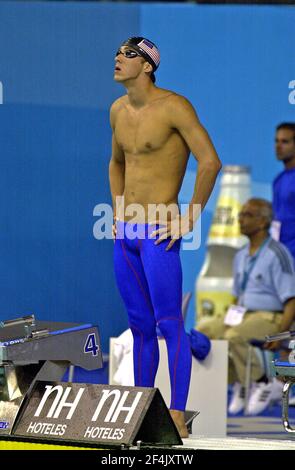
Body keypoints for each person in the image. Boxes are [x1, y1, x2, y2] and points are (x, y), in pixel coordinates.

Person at [109, 36, 221, 437]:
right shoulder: (118, 110)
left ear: (148, 66)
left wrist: (189, 217)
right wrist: (119, 209)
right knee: (139, 325)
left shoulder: (174, 106)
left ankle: (175, 413)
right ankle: (142, 409)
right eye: (118, 53)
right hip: (127, 233)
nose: (118, 59)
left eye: (128, 54)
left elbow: (210, 162)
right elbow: (116, 162)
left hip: (160, 230)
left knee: (169, 323)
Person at [198, 198, 295, 415]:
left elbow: (292, 300)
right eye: (241, 214)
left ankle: (261, 381)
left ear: (262, 222)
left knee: (234, 336)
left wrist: (281, 334)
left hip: (271, 316)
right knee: (206, 329)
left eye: (247, 215)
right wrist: (225, 318)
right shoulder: (240, 254)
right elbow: (237, 297)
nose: (240, 219)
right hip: (243, 314)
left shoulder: (277, 254)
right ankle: (240, 382)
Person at [273, 123, 295, 259]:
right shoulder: (278, 180)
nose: (278, 146)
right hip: (281, 257)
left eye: (285, 142)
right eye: (276, 141)